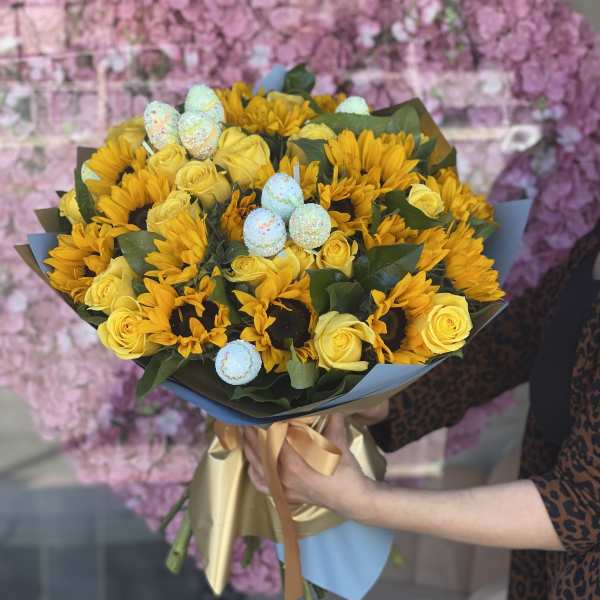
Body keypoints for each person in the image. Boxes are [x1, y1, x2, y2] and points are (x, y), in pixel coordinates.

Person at [243, 219, 600, 600]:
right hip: (546, 572)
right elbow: (516, 340)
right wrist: (371, 400)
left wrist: (364, 502)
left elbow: (579, 507)